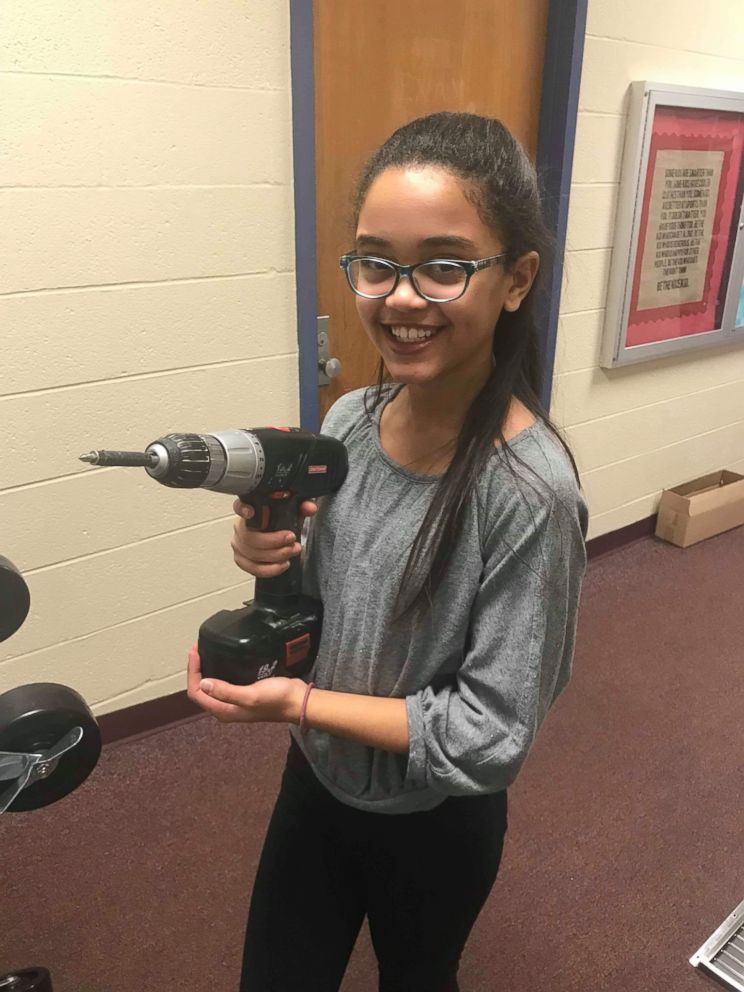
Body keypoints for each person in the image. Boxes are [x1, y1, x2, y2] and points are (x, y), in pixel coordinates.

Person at [187, 111, 588, 992]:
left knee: (417, 977)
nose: (400, 297)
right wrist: (270, 554)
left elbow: (490, 737)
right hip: (317, 782)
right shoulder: (346, 426)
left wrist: (303, 702)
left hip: (435, 820)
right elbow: (332, 598)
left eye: (445, 265)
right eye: (376, 261)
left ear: (516, 278)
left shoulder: (528, 493)